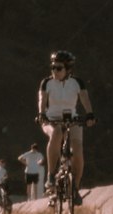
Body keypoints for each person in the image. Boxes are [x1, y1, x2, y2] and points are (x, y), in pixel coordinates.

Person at [37, 49, 96, 205]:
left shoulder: (77, 82)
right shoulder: (47, 82)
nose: (55, 71)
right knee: (56, 133)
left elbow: (85, 99)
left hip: (72, 119)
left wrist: (90, 114)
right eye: (53, 67)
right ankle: (50, 176)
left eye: (59, 68)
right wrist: (41, 114)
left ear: (68, 69)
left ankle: (75, 188)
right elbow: (42, 100)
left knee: (77, 148)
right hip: (51, 119)